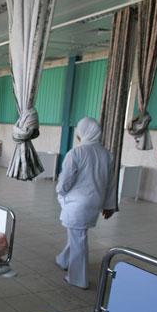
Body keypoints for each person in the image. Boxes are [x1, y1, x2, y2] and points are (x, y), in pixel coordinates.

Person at [55, 117, 116, 289]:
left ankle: (78, 279)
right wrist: (109, 205)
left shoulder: (76, 153)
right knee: (77, 233)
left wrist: (60, 192)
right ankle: (63, 259)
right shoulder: (106, 154)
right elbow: (111, 182)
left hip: (77, 203)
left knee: (79, 239)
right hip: (94, 202)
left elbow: (65, 181)